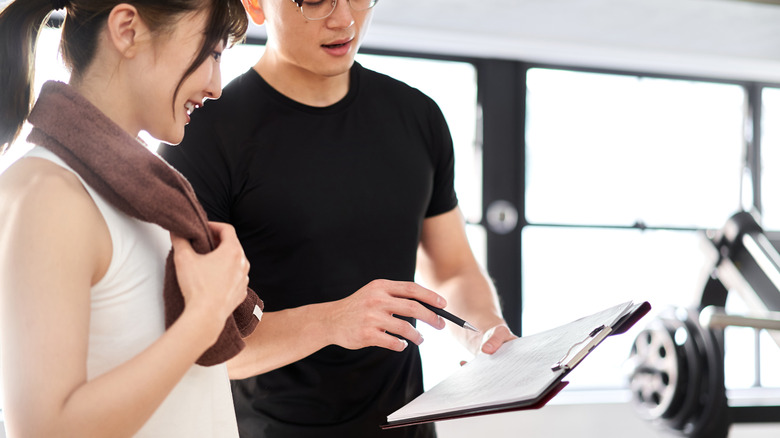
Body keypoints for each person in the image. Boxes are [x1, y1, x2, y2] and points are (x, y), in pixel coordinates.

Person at [159, 0, 517, 436]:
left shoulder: (417, 117)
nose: (345, 19)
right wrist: (332, 320)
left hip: (408, 426)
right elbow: (202, 343)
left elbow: (452, 268)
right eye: (313, 0)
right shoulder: (201, 135)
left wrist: (484, 332)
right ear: (256, 6)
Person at [0, 0, 260, 436]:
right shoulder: (48, 193)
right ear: (127, 30)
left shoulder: (152, 197)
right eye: (212, 53)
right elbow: (44, 429)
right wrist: (205, 317)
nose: (216, 85)